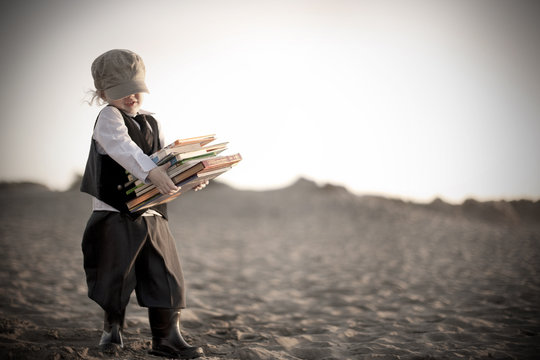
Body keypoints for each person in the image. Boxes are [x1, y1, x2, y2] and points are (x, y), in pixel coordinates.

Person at [80, 49, 205, 359]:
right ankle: (112, 329)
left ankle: (167, 336)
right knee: (116, 275)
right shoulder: (109, 118)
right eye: (121, 92)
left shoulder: (152, 121)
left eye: (136, 90)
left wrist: (188, 178)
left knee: (166, 272)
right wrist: (150, 171)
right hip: (115, 212)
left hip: (152, 213)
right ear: (102, 92)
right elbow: (123, 148)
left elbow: (165, 160)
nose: (131, 97)